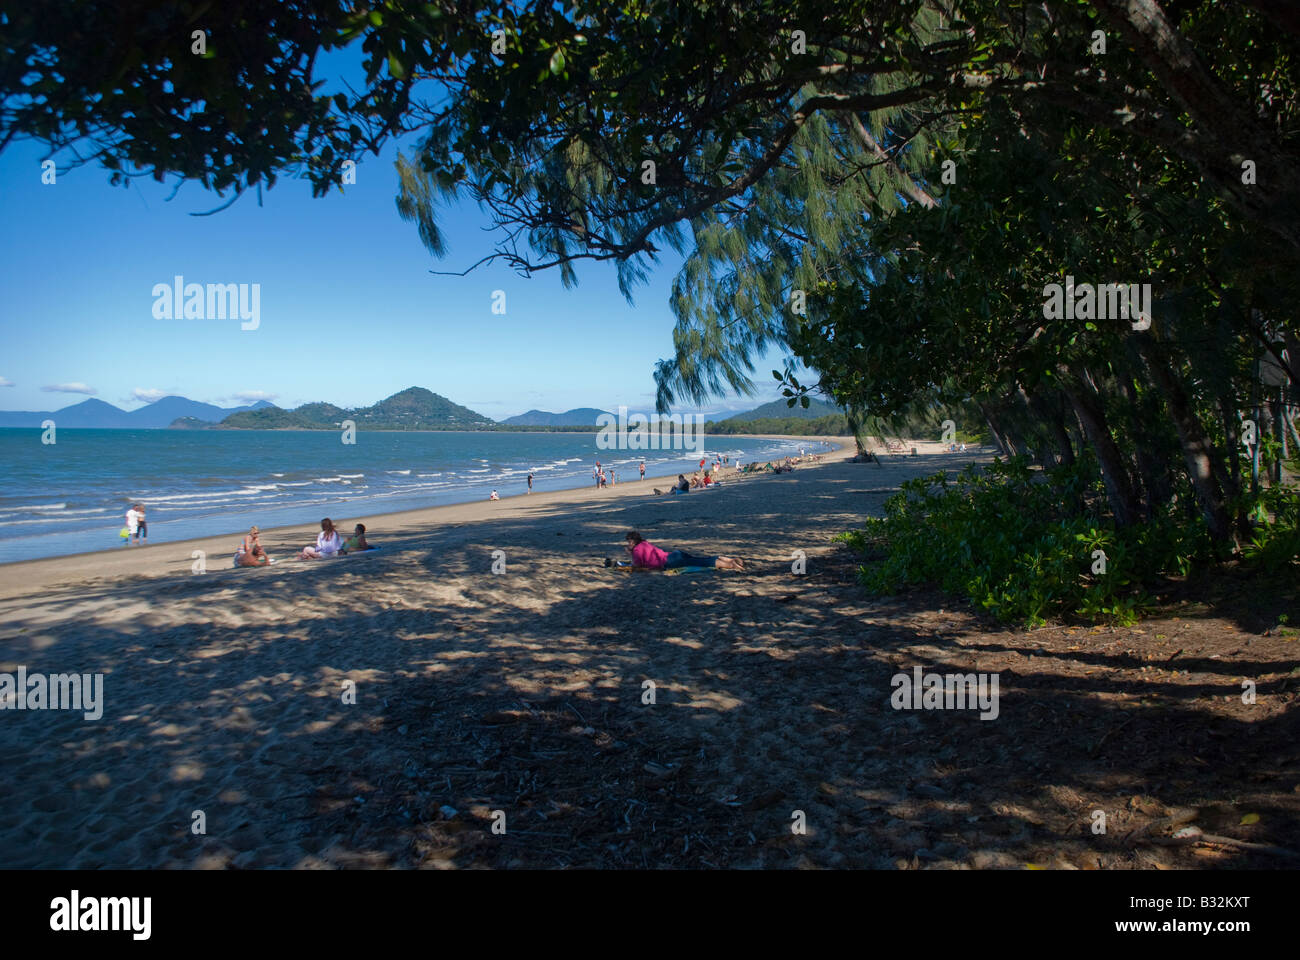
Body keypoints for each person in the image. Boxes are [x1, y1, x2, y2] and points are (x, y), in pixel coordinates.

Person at [624, 531, 744, 570]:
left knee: (701, 563)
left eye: (629, 542)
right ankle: (729, 559)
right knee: (699, 559)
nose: (628, 544)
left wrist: (630, 554)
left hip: (670, 561)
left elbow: (637, 566)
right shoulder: (645, 543)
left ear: (633, 542)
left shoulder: (636, 551)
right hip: (674, 554)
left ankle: (731, 565)